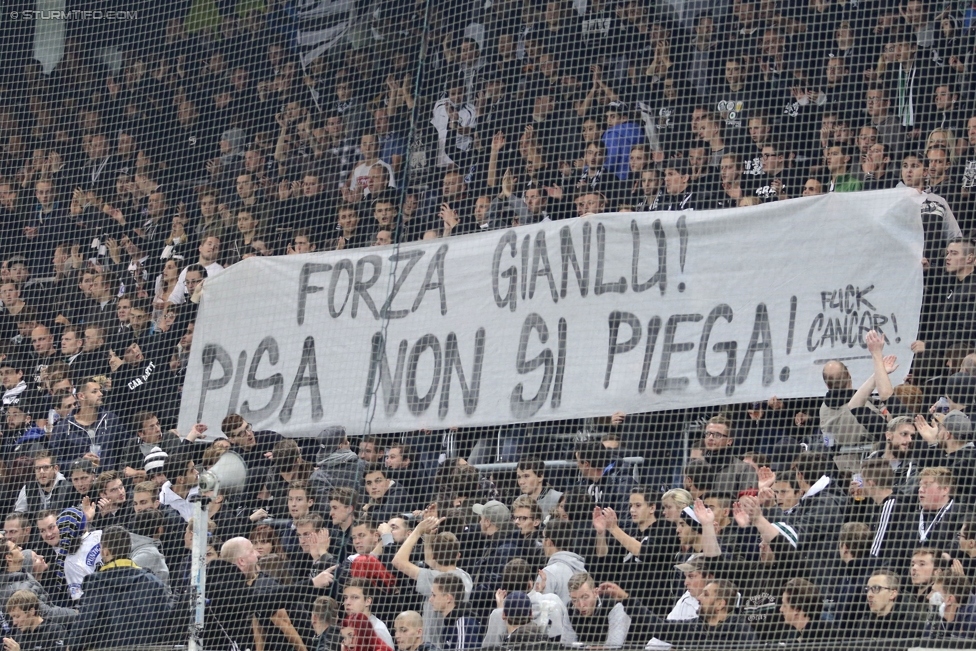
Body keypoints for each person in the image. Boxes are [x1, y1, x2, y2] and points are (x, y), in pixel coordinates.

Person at [64, 525, 171, 650]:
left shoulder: (96, 584)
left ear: (105, 551)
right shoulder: (152, 582)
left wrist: (72, 646)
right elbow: (165, 622)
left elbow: (86, 624)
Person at [392, 516, 472, 649]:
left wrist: (418, 531)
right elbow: (430, 561)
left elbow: (397, 561)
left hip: (435, 645)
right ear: (458, 555)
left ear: (435, 556)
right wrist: (428, 533)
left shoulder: (435, 579)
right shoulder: (465, 577)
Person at [857, 570, 924, 638]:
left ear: (892, 594)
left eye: (876, 588)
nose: (869, 594)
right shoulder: (863, 623)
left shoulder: (911, 624)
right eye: (867, 589)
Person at [429, 574, 482, 650]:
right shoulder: (451, 624)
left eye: (434, 595)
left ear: (448, 598)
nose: (430, 599)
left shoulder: (464, 624)